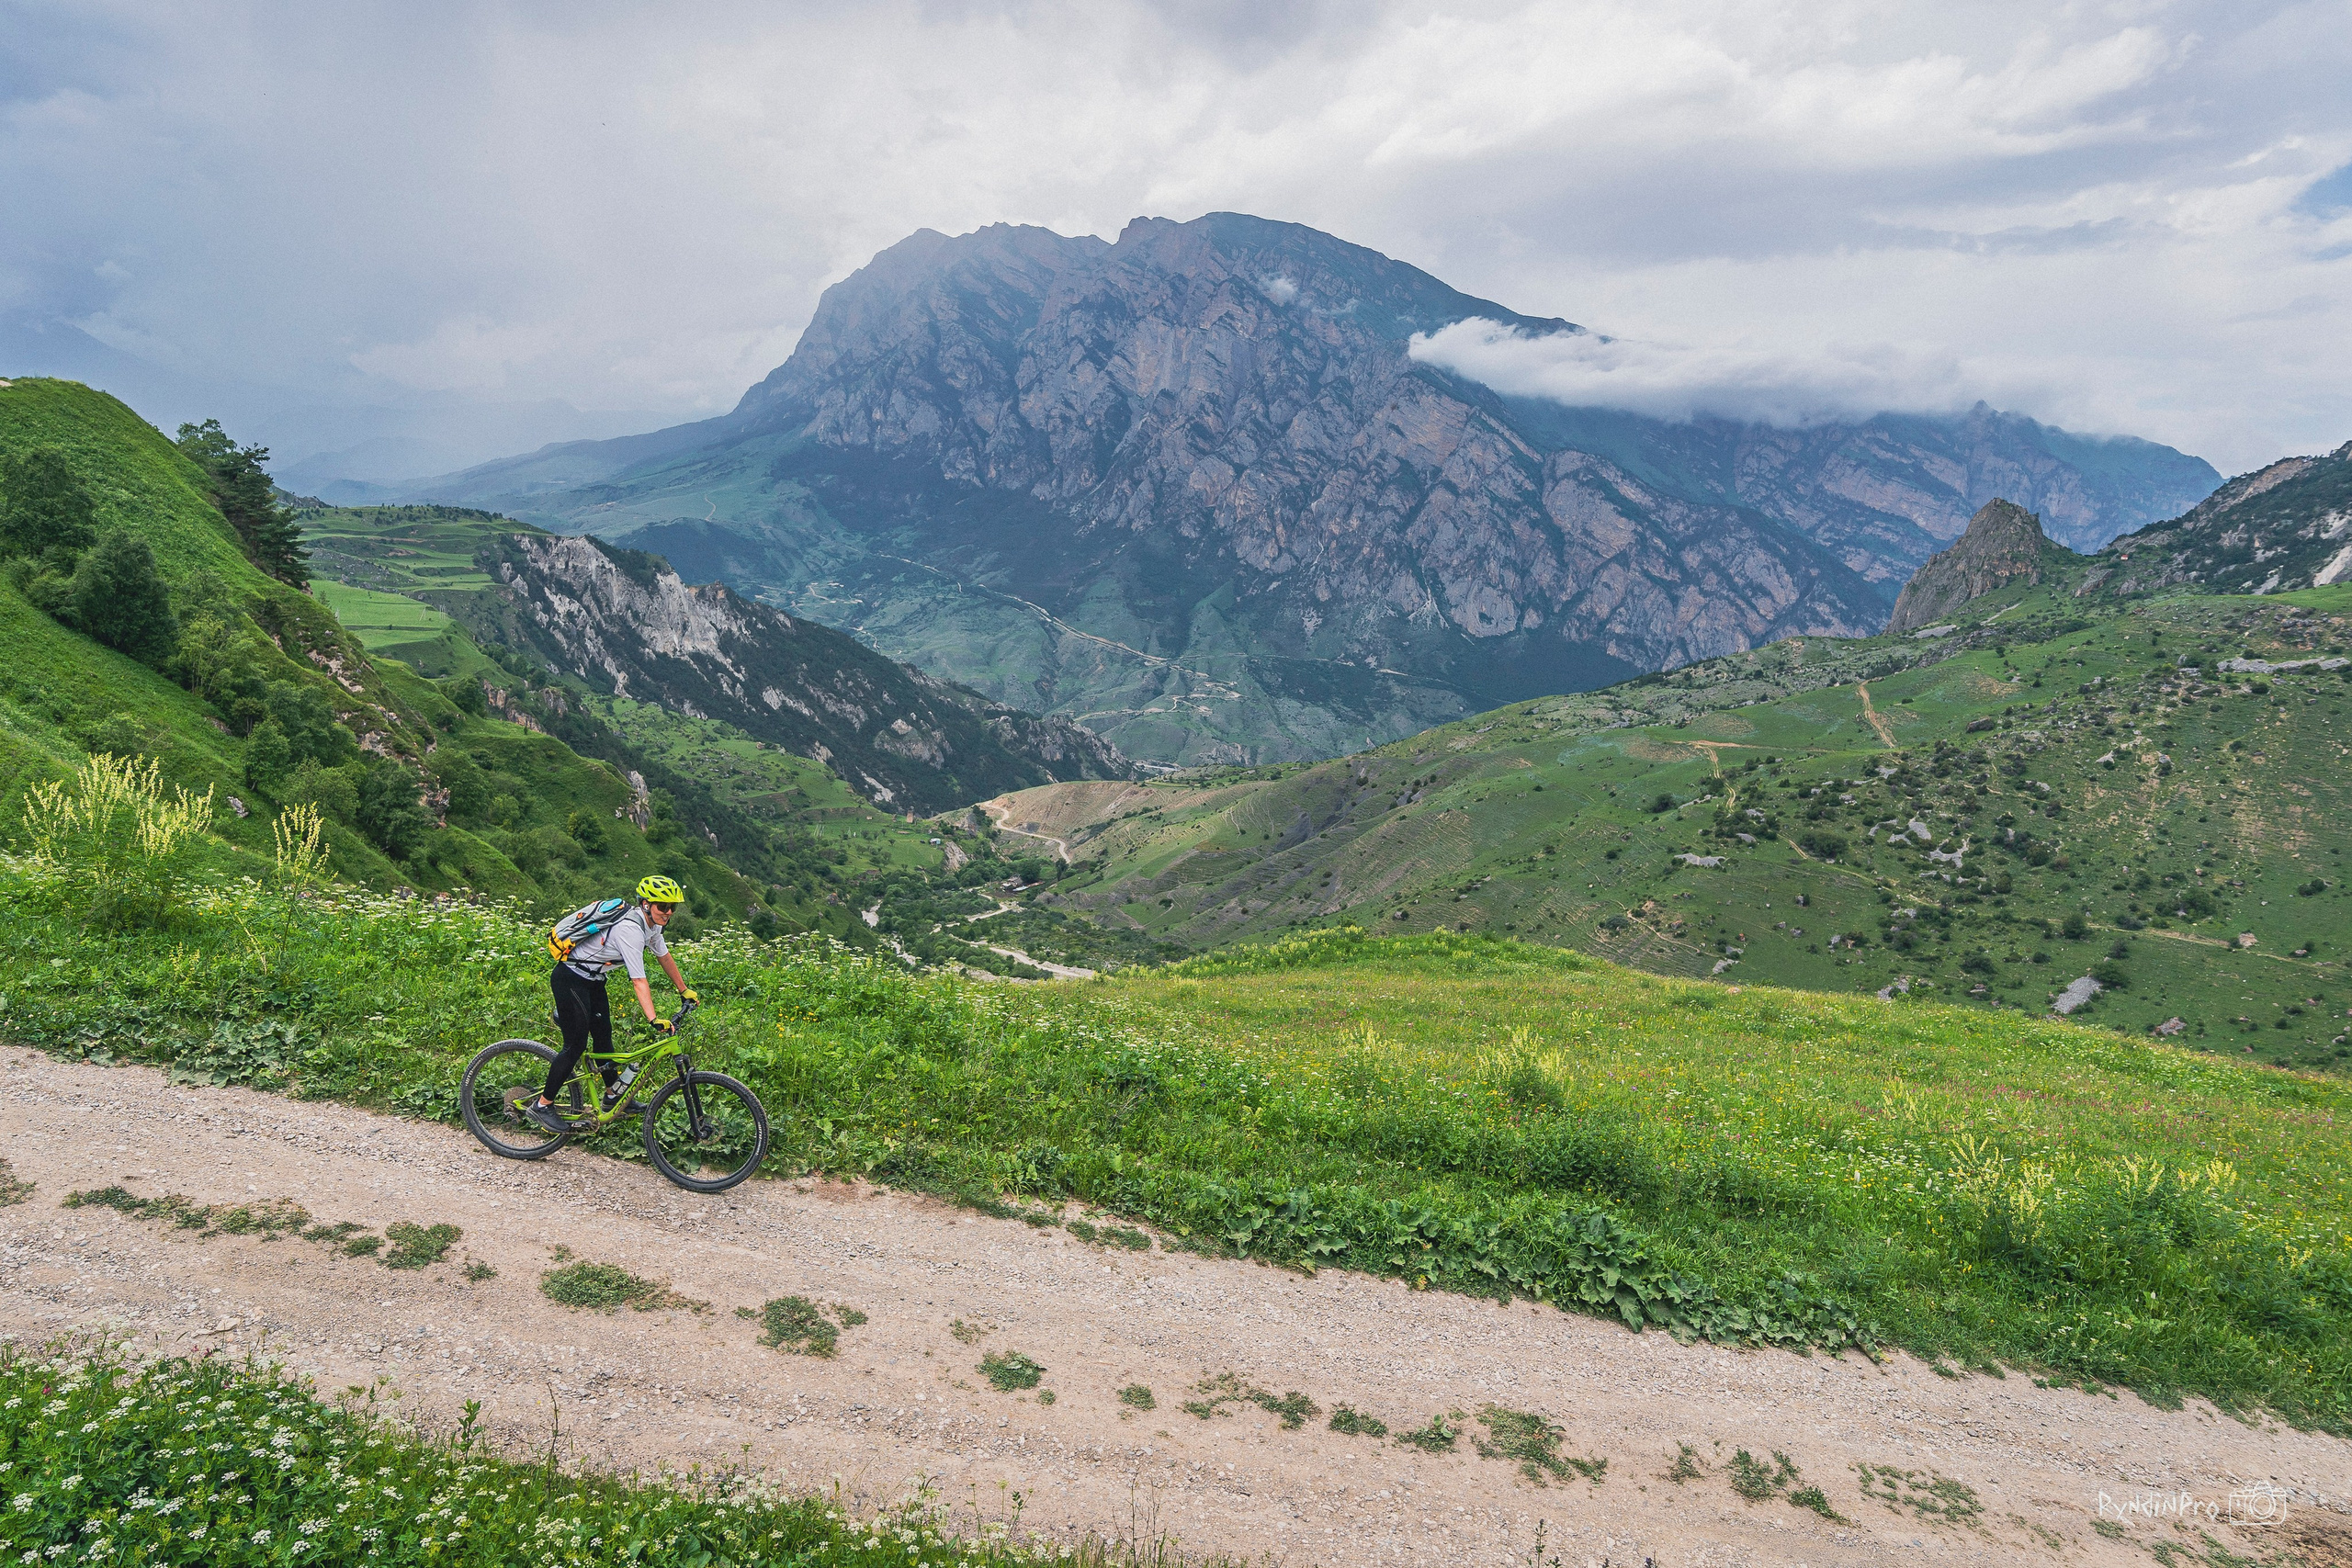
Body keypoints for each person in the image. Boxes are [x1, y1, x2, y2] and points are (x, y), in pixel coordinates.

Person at [526, 875, 697, 1133]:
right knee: (575, 1045)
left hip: (594, 980)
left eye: (673, 907)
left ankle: (613, 1096)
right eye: (663, 906)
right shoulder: (630, 930)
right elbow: (639, 980)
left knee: (604, 1038)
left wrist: (684, 990)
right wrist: (653, 1019)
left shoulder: (652, 926)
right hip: (570, 978)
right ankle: (542, 1105)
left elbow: (663, 955)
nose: (669, 912)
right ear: (646, 904)